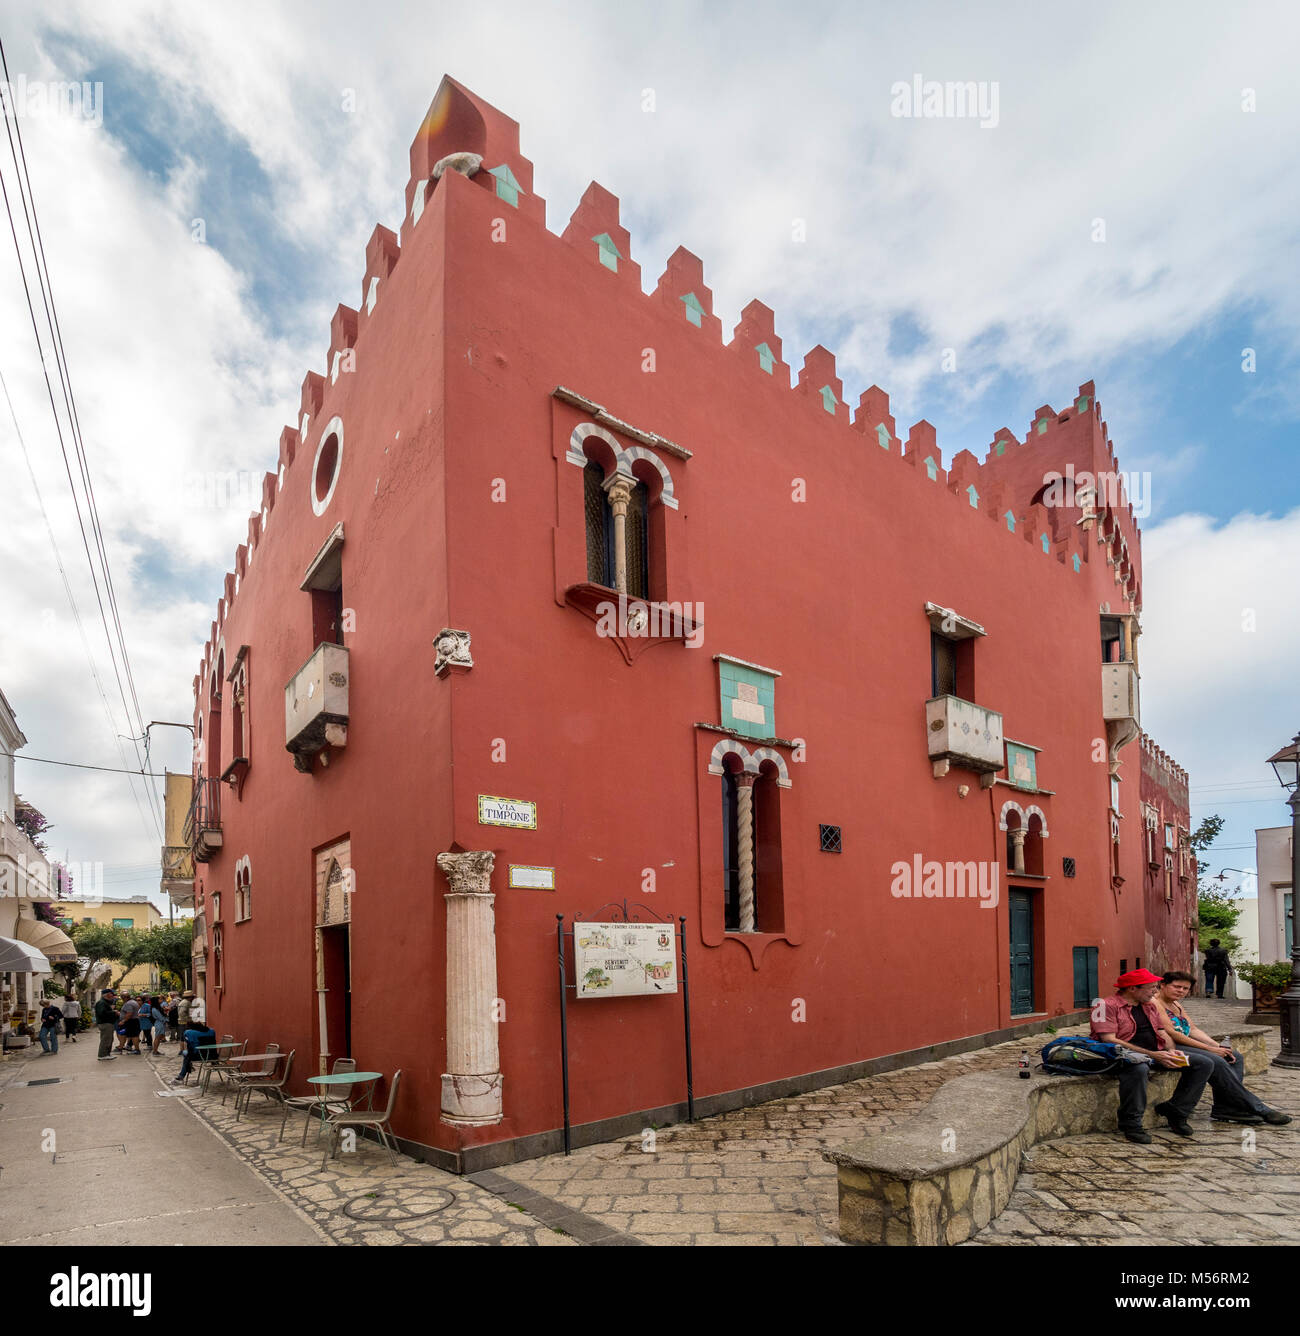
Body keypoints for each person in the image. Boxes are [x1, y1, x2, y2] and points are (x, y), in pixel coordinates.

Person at [1091, 968, 1255, 1143]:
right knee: (1138, 1069)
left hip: (1155, 1052)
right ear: (1132, 988)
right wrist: (1153, 1054)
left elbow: (1162, 1032)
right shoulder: (1105, 1005)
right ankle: (1131, 1123)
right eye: (1151, 987)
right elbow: (1109, 1040)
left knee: (1204, 1063)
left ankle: (1177, 1111)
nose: (1155, 991)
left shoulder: (1148, 1005)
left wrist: (1170, 1051)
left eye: (1155, 987)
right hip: (1121, 1055)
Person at [1154, 971, 1290, 1125]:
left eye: (1185, 989)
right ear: (1163, 985)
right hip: (1169, 1046)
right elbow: (1172, 1033)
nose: (1181, 991)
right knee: (1215, 1060)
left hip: (1185, 1042)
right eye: (1177, 987)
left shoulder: (1176, 1004)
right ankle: (1259, 1108)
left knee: (1234, 1056)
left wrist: (1216, 1045)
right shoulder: (1155, 1003)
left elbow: (1192, 1029)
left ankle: (1225, 1107)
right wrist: (1210, 1049)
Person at [172, 1018, 217, 1085]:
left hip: (198, 1056)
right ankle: (187, 1068)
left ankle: (183, 1074)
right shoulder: (211, 1031)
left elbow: (191, 1048)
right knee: (187, 1055)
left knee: (185, 1053)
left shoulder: (189, 1033)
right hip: (212, 1056)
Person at [94, 988, 120, 1061]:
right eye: (111, 994)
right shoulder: (102, 1003)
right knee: (106, 1039)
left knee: (109, 1039)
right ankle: (103, 1055)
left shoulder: (105, 1002)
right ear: (107, 994)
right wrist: (114, 1012)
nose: (112, 995)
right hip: (105, 1023)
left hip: (107, 1023)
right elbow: (102, 1013)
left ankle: (106, 1054)